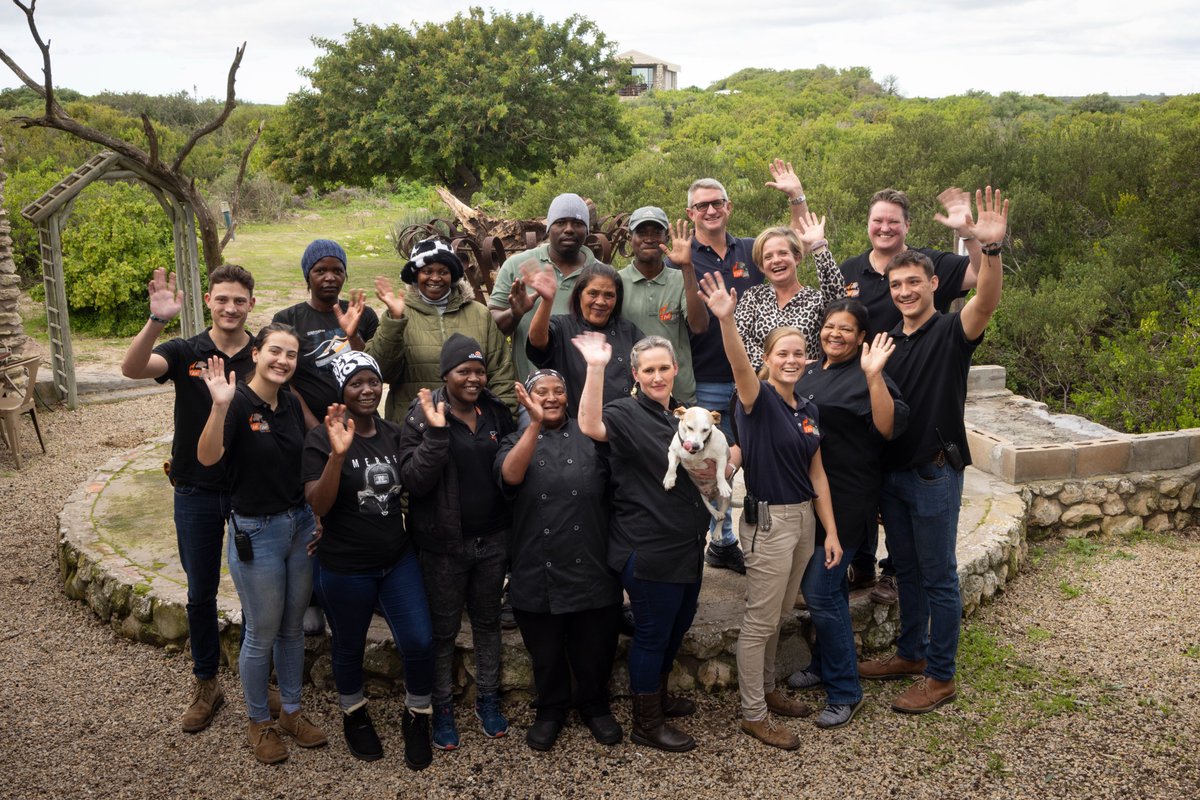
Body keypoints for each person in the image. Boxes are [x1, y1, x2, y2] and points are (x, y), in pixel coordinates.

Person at [857, 187, 1009, 714]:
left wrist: (987, 250)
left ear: (932, 285)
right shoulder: (883, 345)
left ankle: (941, 676)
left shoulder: (951, 330)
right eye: (896, 284)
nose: (903, 292)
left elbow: (985, 300)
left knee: (940, 575)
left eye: (913, 283)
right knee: (910, 573)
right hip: (893, 475)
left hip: (934, 473)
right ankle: (911, 655)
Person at [698, 273, 841, 751]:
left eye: (800, 353)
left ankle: (768, 691)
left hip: (803, 521)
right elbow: (738, 365)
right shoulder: (755, 401)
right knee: (760, 621)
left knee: (779, 615)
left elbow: (817, 474)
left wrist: (831, 533)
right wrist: (725, 319)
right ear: (767, 359)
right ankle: (753, 713)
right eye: (783, 353)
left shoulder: (809, 409)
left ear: (809, 358)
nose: (793, 359)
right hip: (770, 523)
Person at [119, 265, 256, 734]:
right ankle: (206, 684)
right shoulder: (186, 351)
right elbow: (133, 368)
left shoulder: (265, 354)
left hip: (251, 492)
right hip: (195, 489)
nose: (230, 308)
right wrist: (156, 321)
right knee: (200, 593)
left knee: (260, 593)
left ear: (251, 304)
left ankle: (266, 681)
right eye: (222, 299)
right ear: (210, 302)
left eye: (239, 300)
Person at [837, 188, 984, 603]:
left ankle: (900, 585)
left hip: (929, 404)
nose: (884, 227)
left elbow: (982, 286)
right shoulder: (852, 269)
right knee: (874, 489)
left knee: (934, 568)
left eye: (893, 221)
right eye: (877, 220)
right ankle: (869, 568)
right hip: (877, 387)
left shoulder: (932, 267)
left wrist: (978, 239)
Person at [575, 332, 716, 753]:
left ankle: (657, 694)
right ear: (636, 375)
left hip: (687, 545)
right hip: (647, 547)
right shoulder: (623, 412)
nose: (657, 376)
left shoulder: (680, 414)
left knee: (678, 625)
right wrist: (596, 366)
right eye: (648, 369)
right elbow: (589, 425)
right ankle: (646, 721)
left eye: (663, 367)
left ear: (675, 370)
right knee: (654, 633)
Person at [196, 322, 326, 765]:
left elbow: (306, 462)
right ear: (256, 352)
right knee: (261, 633)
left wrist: (317, 515)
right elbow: (208, 458)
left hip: (299, 526)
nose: (282, 361)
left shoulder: (289, 402)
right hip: (257, 533)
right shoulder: (234, 403)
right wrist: (217, 408)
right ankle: (259, 721)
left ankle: (290, 711)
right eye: (275, 351)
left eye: (290, 354)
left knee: (292, 629)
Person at [672, 162, 810, 573]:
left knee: (747, 455)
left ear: (728, 207)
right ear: (691, 213)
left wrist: (795, 197)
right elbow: (691, 321)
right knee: (713, 462)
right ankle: (720, 537)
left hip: (761, 379)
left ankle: (734, 537)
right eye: (701, 206)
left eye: (717, 203)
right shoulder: (681, 256)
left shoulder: (748, 250)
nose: (710, 211)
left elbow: (791, 245)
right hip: (709, 377)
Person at [301, 351, 434, 769]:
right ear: (341, 389)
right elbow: (318, 505)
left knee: (418, 640)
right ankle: (354, 712)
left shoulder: (394, 433)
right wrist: (337, 456)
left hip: (397, 558)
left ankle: (417, 714)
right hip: (344, 565)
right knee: (348, 644)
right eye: (355, 383)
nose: (366, 390)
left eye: (372, 381)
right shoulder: (322, 438)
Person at [786, 299, 908, 730]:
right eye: (829, 326)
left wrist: (874, 376)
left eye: (846, 329)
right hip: (808, 500)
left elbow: (889, 427)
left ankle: (845, 690)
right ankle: (822, 664)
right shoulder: (812, 372)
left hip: (848, 501)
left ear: (861, 338)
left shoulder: (868, 376)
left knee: (820, 591)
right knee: (829, 590)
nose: (835, 334)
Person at [397, 334, 517, 750]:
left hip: (494, 539)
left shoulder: (496, 413)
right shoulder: (422, 415)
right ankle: (442, 707)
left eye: (479, 370)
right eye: (463, 370)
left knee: (487, 623)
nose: (473, 377)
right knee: (444, 630)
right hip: (444, 545)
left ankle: (487, 699)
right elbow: (412, 480)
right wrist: (435, 433)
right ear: (445, 373)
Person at [497, 369, 623, 751]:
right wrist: (534, 426)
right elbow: (510, 476)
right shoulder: (514, 439)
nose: (550, 398)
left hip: (592, 562)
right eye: (541, 392)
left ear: (568, 398)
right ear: (528, 398)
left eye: (557, 392)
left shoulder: (592, 438)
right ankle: (550, 709)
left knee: (595, 646)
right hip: (537, 565)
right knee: (547, 652)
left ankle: (595, 705)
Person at [368, 237, 517, 420]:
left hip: (471, 428)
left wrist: (504, 420)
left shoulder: (479, 313)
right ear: (415, 275)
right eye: (427, 271)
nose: (435, 278)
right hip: (414, 429)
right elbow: (381, 372)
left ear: (453, 275)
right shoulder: (398, 314)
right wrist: (395, 322)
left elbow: (501, 372)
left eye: (443, 271)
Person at [489, 193, 599, 379]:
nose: (569, 229)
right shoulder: (518, 266)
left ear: (587, 230)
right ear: (549, 229)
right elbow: (493, 326)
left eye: (578, 223)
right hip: (530, 392)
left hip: (584, 389)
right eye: (560, 222)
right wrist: (515, 313)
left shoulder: (600, 273)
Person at [273, 239, 379, 430]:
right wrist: (315, 428)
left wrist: (353, 335)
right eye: (320, 271)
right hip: (309, 425)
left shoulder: (363, 314)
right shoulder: (287, 319)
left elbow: (374, 372)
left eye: (337, 271)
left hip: (362, 425)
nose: (330, 277)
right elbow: (286, 382)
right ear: (308, 276)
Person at [525, 262, 644, 418]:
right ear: (579, 294)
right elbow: (537, 341)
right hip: (577, 428)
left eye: (609, 295)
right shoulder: (562, 326)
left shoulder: (629, 331)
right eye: (593, 293)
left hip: (625, 425)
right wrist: (547, 301)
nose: (601, 301)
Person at [618, 207, 707, 405]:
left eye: (656, 232)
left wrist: (687, 267)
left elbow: (699, 326)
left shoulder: (682, 279)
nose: (649, 239)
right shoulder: (616, 282)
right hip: (631, 396)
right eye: (641, 233)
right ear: (630, 238)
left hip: (679, 396)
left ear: (666, 238)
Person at [733, 217, 846, 371]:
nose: (776, 260)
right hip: (761, 387)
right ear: (761, 266)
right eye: (768, 257)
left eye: (783, 253)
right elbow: (739, 338)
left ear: (797, 258)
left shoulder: (815, 299)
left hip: (804, 387)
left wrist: (818, 246)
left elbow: (839, 299)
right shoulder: (753, 296)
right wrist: (773, 369)